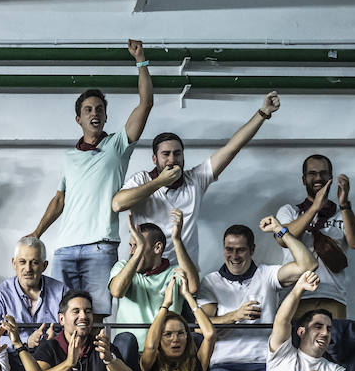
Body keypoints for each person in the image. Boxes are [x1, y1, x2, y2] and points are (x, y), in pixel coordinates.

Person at [25, 40, 154, 313]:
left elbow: (146, 103)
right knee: (60, 315)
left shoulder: (117, 146)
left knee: (94, 316)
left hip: (101, 247)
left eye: (99, 109)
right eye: (88, 110)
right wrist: (37, 233)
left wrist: (140, 60)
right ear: (78, 119)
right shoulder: (69, 157)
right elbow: (60, 200)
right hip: (65, 248)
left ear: (105, 117)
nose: (94, 113)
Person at [113, 92, 282, 267]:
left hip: (182, 273)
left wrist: (263, 113)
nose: (172, 160)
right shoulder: (142, 179)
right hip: (145, 272)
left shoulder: (194, 180)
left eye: (177, 154)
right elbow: (118, 204)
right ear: (154, 159)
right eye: (166, 154)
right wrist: (159, 182)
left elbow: (232, 148)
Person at [197, 204, 321, 371]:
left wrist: (280, 229)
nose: (234, 256)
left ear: (252, 249)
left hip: (263, 362)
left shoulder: (267, 274)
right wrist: (235, 316)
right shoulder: (211, 281)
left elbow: (309, 265)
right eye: (229, 249)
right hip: (225, 363)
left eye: (240, 250)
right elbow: (205, 321)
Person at [273, 155, 355, 319]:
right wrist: (315, 207)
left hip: (332, 296)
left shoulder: (341, 212)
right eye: (312, 173)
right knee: (292, 344)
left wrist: (344, 204)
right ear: (303, 179)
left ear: (330, 177)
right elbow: (282, 239)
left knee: (334, 344)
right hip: (295, 294)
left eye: (323, 173)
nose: (318, 178)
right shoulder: (289, 211)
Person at [107, 210, 198, 358]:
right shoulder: (122, 267)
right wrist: (140, 250)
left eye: (137, 245)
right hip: (130, 352)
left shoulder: (173, 273)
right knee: (124, 340)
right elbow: (117, 292)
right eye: (131, 245)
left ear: (157, 248)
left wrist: (176, 240)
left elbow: (193, 287)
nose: (131, 251)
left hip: (165, 353)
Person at [0, 237, 67, 341]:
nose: (28, 269)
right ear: (14, 263)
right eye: (22, 262)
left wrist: (58, 339)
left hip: (54, 354)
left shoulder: (62, 292)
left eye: (34, 262)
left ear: (44, 266)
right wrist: (24, 341)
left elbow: (74, 328)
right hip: (12, 356)